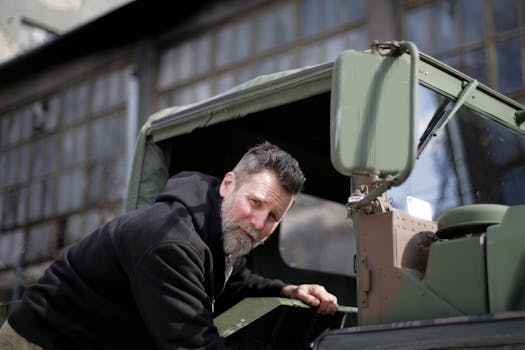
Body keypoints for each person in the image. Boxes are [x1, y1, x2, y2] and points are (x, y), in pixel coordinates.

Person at [0, 141, 338, 350]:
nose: (258, 223)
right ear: (227, 184)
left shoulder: (214, 231)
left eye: (273, 217)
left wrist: (290, 290)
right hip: (40, 342)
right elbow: (193, 346)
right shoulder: (171, 243)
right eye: (255, 202)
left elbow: (236, 283)